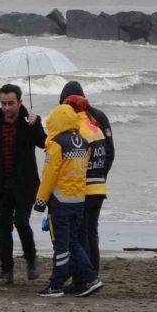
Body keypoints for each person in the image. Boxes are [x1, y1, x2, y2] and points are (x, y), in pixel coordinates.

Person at [0, 84, 46, 285]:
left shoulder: (30, 122)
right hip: (1, 185)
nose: (6, 108)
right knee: (4, 227)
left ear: (20, 102)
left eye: (11, 103)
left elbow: (44, 143)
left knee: (22, 222)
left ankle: (31, 259)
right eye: (3, 103)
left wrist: (35, 124)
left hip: (24, 184)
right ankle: (6, 272)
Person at [34, 104, 103, 297]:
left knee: (61, 246)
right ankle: (91, 278)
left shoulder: (56, 144)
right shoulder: (83, 142)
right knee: (73, 243)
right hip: (78, 202)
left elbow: (49, 175)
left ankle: (56, 285)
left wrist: (40, 200)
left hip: (59, 204)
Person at [59, 81, 114, 277]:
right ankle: (93, 274)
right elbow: (109, 153)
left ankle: (86, 277)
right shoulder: (98, 118)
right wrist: (100, 176)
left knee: (80, 234)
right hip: (98, 187)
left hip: (82, 189)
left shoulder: (76, 122)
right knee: (91, 232)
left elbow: (70, 158)